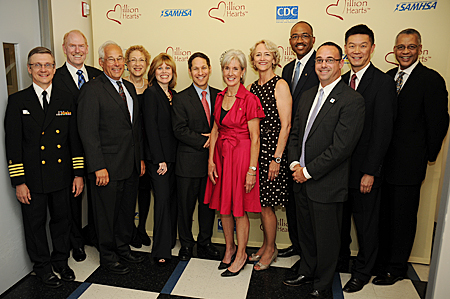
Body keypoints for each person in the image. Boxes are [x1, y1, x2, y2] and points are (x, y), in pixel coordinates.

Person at [283, 42, 365, 298]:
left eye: (330, 60)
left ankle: (323, 282)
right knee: (306, 234)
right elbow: (295, 134)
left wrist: (308, 171)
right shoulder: (306, 95)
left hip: (326, 183)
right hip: (300, 179)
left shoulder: (352, 100)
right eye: (319, 60)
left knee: (327, 239)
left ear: (341, 63)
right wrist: (295, 164)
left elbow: (341, 148)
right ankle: (306, 270)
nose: (323, 65)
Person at [373, 28, 449, 286]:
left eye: (411, 47)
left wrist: (426, 156)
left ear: (419, 49)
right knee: (383, 216)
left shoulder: (431, 79)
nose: (405, 52)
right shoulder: (386, 78)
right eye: (401, 47)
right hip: (382, 164)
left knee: (403, 218)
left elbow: (439, 122)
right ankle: (382, 262)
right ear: (394, 50)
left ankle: (396, 267)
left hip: (408, 165)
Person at [4, 47, 84, 287]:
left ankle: (61, 261)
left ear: (54, 68)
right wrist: (19, 182)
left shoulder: (66, 99)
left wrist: (78, 174)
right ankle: (42, 267)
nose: (43, 70)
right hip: (32, 179)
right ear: (29, 69)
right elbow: (13, 145)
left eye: (48, 65)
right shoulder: (18, 101)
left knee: (62, 220)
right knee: (35, 224)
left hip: (61, 176)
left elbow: (74, 141)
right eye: (37, 65)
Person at [77, 41, 145, 275]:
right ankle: (107, 256)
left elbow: (134, 128)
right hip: (106, 168)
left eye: (119, 59)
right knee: (106, 215)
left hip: (131, 164)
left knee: (126, 212)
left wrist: (140, 159)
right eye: (111, 59)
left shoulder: (128, 87)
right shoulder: (92, 89)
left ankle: (123, 248)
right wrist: (97, 166)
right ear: (101, 63)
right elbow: (88, 132)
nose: (116, 64)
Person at [338, 24, 396, 293]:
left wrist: (371, 171)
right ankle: (339, 263)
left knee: (365, 225)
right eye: (352, 46)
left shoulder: (383, 82)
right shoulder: (338, 81)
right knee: (339, 223)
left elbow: (383, 132)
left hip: (364, 171)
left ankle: (363, 272)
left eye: (363, 46)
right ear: (345, 49)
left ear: (372, 49)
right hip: (338, 170)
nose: (356, 51)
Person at [204, 49, 265, 277]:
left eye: (235, 69)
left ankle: (241, 254)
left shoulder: (250, 99)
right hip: (221, 158)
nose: (231, 73)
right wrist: (211, 161)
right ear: (222, 71)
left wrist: (252, 170)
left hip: (241, 159)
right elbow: (216, 130)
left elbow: (255, 138)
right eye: (227, 68)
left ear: (242, 72)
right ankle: (229, 249)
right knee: (224, 208)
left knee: (239, 211)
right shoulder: (219, 97)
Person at [53, 29, 102, 262]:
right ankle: (76, 242)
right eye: (72, 46)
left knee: (98, 197)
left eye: (81, 46)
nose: (77, 50)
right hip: (69, 150)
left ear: (87, 49)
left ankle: (95, 235)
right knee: (73, 199)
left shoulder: (97, 75)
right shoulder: (54, 77)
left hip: (98, 148)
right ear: (64, 49)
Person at [247, 40, 292, 270]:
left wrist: (276, 159)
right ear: (253, 60)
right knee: (263, 203)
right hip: (257, 152)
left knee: (268, 205)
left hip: (273, 153)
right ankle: (266, 246)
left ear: (275, 58)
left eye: (267, 54)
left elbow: (286, 125)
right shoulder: (253, 87)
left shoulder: (280, 84)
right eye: (258, 55)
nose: (262, 58)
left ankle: (271, 249)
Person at [172, 52, 221, 261]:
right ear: (190, 72)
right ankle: (185, 244)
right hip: (188, 163)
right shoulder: (181, 98)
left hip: (213, 164)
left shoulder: (220, 95)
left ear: (210, 69)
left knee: (208, 207)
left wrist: (214, 139)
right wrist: (207, 140)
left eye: (204, 68)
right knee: (185, 207)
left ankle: (205, 242)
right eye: (195, 69)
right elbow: (179, 130)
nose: (200, 72)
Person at [279, 21, 319, 264]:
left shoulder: (320, 66)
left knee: (309, 207)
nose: (300, 40)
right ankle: (297, 246)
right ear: (290, 41)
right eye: (295, 36)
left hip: (311, 147)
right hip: (289, 145)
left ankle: (310, 255)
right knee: (293, 202)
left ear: (313, 39)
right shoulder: (287, 69)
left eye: (305, 36)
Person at [141, 53, 178, 265]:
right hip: (159, 161)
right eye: (160, 68)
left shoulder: (171, 94)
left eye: (168, 69)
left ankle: (170, 241)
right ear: (154, 72)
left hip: (173, 158)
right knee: (162, 202)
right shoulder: (151, 93)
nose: (164, 72)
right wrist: (160, 159)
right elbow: (151, 129)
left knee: (171, 201)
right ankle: (161, 250)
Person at [123, 45, 152, 248]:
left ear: (147, 63)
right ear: (126, 64)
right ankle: (129, 230)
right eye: (133, 60)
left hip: (149, 149)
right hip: (128, 150)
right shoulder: (121, 88)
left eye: (141, 60)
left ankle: (142, 228)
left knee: (144, 190)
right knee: (128, 193)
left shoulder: (153, 88)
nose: (137, 64)